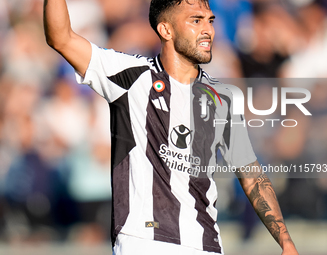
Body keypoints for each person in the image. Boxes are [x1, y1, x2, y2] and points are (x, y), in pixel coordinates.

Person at [43, 0, 299, 254]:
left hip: (205, 244)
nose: (208, 30)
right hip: (143, 242)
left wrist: (285, 240)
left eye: (210, 20)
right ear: (166, 30)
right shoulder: (131, 75)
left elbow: (251, 174)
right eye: (196, 20)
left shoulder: (223, 98)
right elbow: (61, 38)